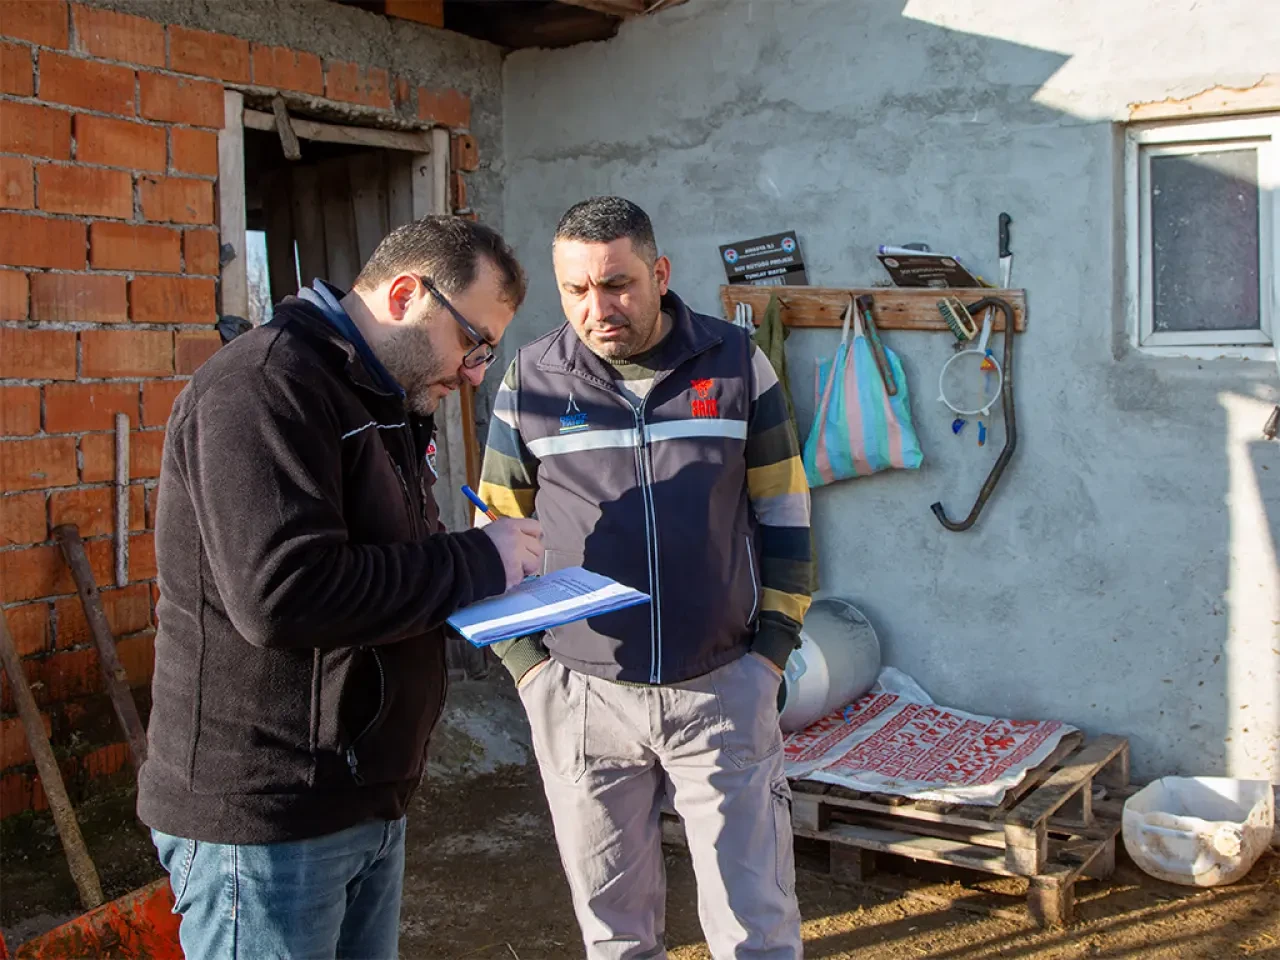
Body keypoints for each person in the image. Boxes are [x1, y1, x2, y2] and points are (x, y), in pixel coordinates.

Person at [138, 216, 545, 959]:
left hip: (359, 799)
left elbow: (382, 574)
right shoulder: (265, 388)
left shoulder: (382, 398)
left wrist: (476, 594)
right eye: (472, 342)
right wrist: (475, 562)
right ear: (402, 295)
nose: (476, 372)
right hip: (268, 818)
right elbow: (283, 593)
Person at [478, 197, 813, 959]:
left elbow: (786, 511)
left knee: (755, 926)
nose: (598, 309)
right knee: (615, 935)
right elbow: (493, 538)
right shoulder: (529, 379)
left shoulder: (735, 362)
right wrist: (530, 672)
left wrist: (770, 656)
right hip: (582, 698)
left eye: (619, 284)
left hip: (720, 686)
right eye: (576, 290)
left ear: (660, 274)